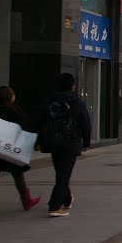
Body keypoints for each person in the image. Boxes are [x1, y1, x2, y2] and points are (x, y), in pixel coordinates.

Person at [41, 73, 91, 218]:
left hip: (53, 142)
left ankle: (67, 199)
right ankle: (54, 206)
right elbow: (85, 123)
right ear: (72, 86)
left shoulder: (50, 101)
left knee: (61, 172)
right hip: (71, 142)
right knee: (64, 174)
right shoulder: (76, 102)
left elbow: (41, 120)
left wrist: (38, 140)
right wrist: (86, 142)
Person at [0, 86, 40, 210]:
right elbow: (27, 127)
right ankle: (26, 200)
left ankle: (27, 200)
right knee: (18, 176)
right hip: (11, 150)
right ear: (11, 98)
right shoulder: (16, 111)